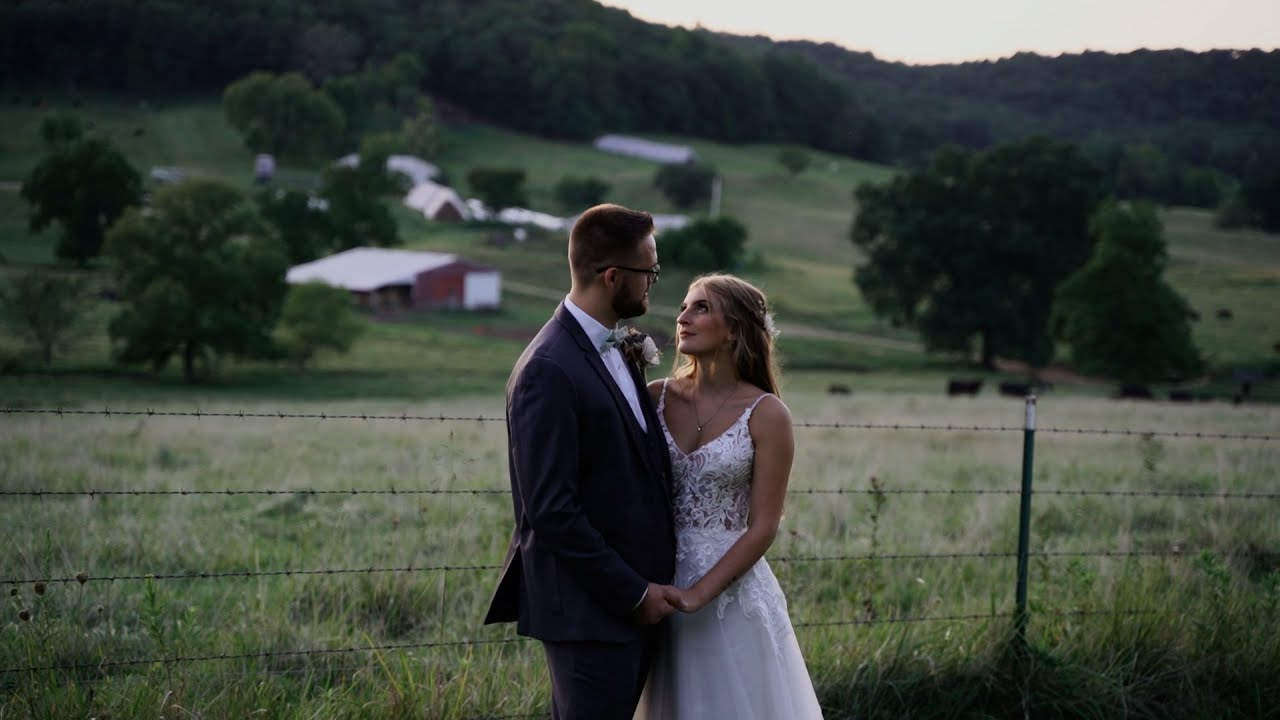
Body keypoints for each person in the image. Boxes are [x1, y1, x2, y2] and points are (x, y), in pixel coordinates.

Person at [484, 203, 681, 719]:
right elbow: (551, 510)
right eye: (649, 272)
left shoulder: (617, 346)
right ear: (613, 276)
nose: (653, 283)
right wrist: (635, 594)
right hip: (589, 613)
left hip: (630, 610)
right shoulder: (549, 369)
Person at [634, 273, 824, 719]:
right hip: (655, 584)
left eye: (700, 308)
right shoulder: (654, 397)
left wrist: (700, 593)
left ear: (734, 328)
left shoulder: (767, 414)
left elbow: (764, 525)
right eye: (683, 306)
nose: (682, 317)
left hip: (730, 594)